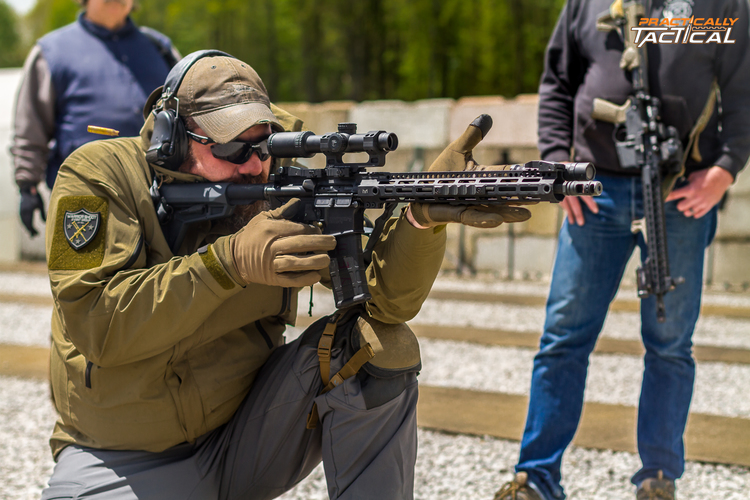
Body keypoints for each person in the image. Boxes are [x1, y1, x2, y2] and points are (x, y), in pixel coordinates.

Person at [40, 50, 531, 500]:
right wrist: (226, 264)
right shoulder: (95, 177)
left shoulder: (281, 183)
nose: (254, 166)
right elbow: (95, 325)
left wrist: (419, 219)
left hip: (244, 441)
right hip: (119, 458)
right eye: (233, 149)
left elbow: (387, 305)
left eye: (264, 146)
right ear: (174, 138)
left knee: (380, 346)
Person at [493, 1, 750, 499]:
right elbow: (557, 84)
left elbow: (744, 91)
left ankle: (658, 479)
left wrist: (725, 169)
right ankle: (536, 478)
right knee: (564, 336)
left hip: (680, 190)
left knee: (670, 342)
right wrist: (556, 165)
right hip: (594, 190)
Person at [11, 0, 178, 237]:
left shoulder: (161, 49)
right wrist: (27, 186)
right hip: (84, 204)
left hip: (158, 204)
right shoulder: (51, 52)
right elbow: (31, 125)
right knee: (85, 263)